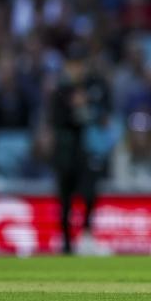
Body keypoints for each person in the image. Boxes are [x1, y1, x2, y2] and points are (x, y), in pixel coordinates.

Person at [49, 42, 111, 255]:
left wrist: (86, 109)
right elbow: (57, 120)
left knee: (90, 193)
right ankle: (65, 243)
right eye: (73, 64)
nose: (77, 69)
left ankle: (86, 236)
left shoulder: (92, 86)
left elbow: (103, 114)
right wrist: (76, 108)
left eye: (79, 64)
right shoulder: (59, 90)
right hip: (65, 152)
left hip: (84, 151)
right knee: (65, 199)